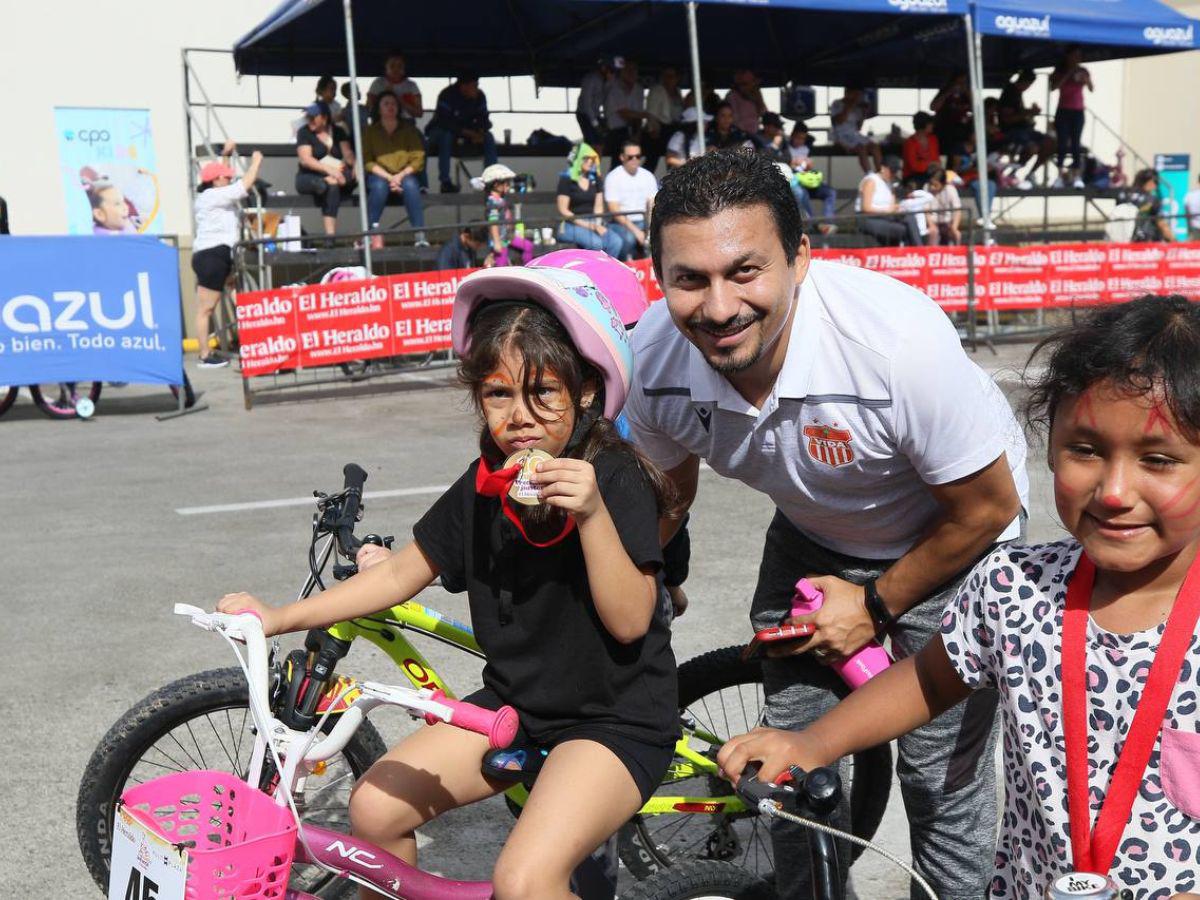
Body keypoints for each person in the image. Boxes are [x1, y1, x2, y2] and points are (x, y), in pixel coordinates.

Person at [626, 148, 1027, 899]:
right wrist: (655, 578)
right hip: (812, 533)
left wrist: (874, 605)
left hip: (951, 533)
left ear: (801, 258)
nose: (718, 308)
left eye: (745, 271)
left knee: (940, 778)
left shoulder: (895, 345)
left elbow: (988, 508)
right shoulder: (650, 361)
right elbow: (666, 493)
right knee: (786, 762)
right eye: (690, 279)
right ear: (661, 279)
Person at [217, 251, 680, 900]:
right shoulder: (485, 484)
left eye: (542, 391)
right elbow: (402, 572)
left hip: (614, 721)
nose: (517, 415)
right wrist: (278, 616)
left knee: (523, 880)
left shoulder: (612, 478)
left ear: (584, 391)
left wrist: (593, 515)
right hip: (519, 707)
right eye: (497, 393)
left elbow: (633, 621)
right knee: (374, 807)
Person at [718, 295, 1200, 900]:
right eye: (1086, 450)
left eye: (1159, 460)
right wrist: (814, 741)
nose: (1114, 491)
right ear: (1048, 448)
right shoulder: (1015, 586)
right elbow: (928, 679)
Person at [191, 141, 263, 369]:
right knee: (206, 308)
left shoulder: (215, 193)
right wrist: (256, 162)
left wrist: (225, 156)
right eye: (225, 177)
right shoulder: (212, 196)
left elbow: (222, 177)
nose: (229, 178)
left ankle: (250, 345)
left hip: (222, 255)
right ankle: (204, 355)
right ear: (214, 181)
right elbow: (244, 185)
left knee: (238, 299)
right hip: (212, 256)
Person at [362, 93, 428, 250]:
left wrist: (399, 176)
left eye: (394, 104)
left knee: (411, 185)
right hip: (380, 174)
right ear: (379, 109)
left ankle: (419, 235)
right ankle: (371, 233)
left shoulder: (409, 129)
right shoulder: (371, 131)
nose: (391, 106)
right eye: (386, 103)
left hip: (404, 173)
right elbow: (367, 161)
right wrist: (390, 177)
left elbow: (418, 157)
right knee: (379, 187)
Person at [426, 74, 498, 193]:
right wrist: (471, 134)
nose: (476, 88)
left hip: (468, 133)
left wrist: (480, 132)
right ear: (463, 87)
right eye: (473, 86)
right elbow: (445, 123)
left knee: (488, 137)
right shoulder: (447, 95)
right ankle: (445, 182)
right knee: (446, 136)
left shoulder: (479, 96)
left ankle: (491, 180)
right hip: (441, 131)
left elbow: (484, 118)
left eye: (477, 85)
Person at [294, 102, 355, 237]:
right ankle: (330, 236)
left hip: (337, 175)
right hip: (309, 176)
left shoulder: (338, 132)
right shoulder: (304, 132)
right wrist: (329, 171)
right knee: (327, 184)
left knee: (336, 183)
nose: (309, 119)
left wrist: (354, 164)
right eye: (307, 116)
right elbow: (306, 159)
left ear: (324, 118)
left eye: (313, 116)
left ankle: (330, 237)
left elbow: (347, 153)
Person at [556, 143, 623, 257]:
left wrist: (597, 224)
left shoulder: (595, 178)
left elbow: (598, 207)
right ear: (577, 159)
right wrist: (590, 226)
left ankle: (605, 271)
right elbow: (563, 211)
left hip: (593, 221)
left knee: (615, 242)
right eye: (586, 158)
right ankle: (589, 272)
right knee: (596, 243)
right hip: (571, 223)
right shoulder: (566, 179)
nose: (590, 162)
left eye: (592, 159)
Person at [604, 139, 658, 261]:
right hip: (622, 223)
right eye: (630, 157)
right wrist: (636, 231)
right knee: (628, 240)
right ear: (622, 157)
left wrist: (650, 228)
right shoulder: (613, 177)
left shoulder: (648, 176)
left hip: (645, 220)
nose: (634, 160)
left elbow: (653, 203)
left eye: (638, 156)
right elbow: (614, 210)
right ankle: (629, 268)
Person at [998, 68, 1053, 187]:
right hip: (1012, 132)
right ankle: (1013, 173)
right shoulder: (1010, 93)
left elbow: (1020, 114)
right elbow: (1007, 119)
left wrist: (1030, 113)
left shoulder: (1018, 94)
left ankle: (1030, 173)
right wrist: (1028, 113)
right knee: (1032, 147)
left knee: (1050, 143)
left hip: (1026, 130)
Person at [1050, 46, 1093, 187]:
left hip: (1078, 111)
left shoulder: (1083, 70)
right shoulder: (1059, 70)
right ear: (1068, 57)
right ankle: (1059, 175)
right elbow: (1054, 87)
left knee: (1076, 143)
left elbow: (1092, 88)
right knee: (1062, 143)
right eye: (1074, 56)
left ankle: (1076, 175)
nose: (1077, 59)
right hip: (1063, 110)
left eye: (1078, 56)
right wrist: (1068, 73)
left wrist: (1085, 79)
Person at [856, 155, 921, 246]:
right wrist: (886, 211)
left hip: (884, 216)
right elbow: (866, 207)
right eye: (892, 171)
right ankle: (918, 250)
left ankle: (918, 251)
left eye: (896, 171)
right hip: (868, 218)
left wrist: (897, 208)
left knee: (909, 217)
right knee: (904, 229)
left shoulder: (890, 185)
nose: (894, 174)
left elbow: (892, 205)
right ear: (883, 168)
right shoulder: (871, 181)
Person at [483, 163, 534, 267]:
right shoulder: (493, 202)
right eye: (506, 183)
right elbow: (493, 223)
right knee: (502, 264)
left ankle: (528, 269)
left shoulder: (500, 200)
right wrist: (497, 242)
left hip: (507, 237)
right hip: (500, 240)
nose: (508, 185)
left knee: (528, 246)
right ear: (496, 184)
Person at [604, 59, 647, 168]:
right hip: (615, 131)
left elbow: (638, 113)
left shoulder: (639, 89)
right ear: (622, 72)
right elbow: (623, 113)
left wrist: (638, 134)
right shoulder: (614, 88)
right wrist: (646, 115)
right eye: (628, 70)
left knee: (633, 163)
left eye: (634, 70)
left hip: (632, 131)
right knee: (617, 165)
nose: (631, 73)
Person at [829, 86, 881, 174]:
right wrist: (849, 105)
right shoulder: (837, 103)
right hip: (841, 135)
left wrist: (864, 114)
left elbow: (858, 127)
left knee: (874, 147)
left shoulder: (857, 107)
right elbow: (839, 120)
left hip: (854, 134)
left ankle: (880, 172)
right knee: (862, 148)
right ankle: (870, 175)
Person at [644, 65, 684, 173]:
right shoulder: (657, 90)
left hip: (674, 128)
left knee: (671, 160)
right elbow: (651, 112)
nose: (669, 79)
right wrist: (653, 128)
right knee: (652, 161)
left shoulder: (677, 91)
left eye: (672, 76)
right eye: (667, 76)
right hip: (659, 128)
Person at [930, 72, 973, 170]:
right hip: (944, 131)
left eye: (963, 83)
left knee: (959, 153)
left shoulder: (966, 95)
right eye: (958, 82)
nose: (960, 85)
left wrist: (967, 92)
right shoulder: (945, 92)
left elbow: (977, 109)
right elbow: (933, 107)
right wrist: (949, 92)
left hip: (960, 133)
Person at [1124, 168, 1176, 243]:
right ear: (1150, 181)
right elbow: (1162, 224)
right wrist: (1175, 241)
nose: (1156, 186)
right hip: (1146, 243)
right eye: (1156, 182)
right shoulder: (1151, 200)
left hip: (1124, 242)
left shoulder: (1126, 195)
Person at [367, 52, 422, 121]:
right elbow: (369, 109)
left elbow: (419, 113)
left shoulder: (411, 86)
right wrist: (384, 96)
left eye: (400, 66)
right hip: (381, 121)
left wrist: (399, 100)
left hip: (405, 122)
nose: (396, 69)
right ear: (386, 67)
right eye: (392, 66)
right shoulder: (378, 84)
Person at [576, 57, 612, 148]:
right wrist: (596, 124)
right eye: (611, 71)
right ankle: (588, 160)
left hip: (595, 114)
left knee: (600, 142)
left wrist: (606, 119)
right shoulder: (591, 79)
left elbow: (606, 103)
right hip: (584, 114)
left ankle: (596, 161)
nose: (613, 74)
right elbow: (586, 103)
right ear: (604, 68)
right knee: (591, 143)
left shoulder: (607, 82)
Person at [725, 69, 767, 139]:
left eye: (753, 81)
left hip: (755, 134)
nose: (752, 84)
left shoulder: (756, 95)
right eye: (745, 84)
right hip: (739, 136)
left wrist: (758, 99)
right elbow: (733, 118)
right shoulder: (732, 95)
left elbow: (763, 112)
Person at [902, 111, 941, 185]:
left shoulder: (933, 139)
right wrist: (929, 165)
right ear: (923, 125)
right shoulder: (910, 142)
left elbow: (936, 159)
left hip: (931, 174)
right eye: (930, 123)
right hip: (913, 176)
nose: (932, 125)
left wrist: (933, 166)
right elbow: (913, 166)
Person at [926, 167, 962, 245]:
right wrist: (931, 225)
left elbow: (957, 210)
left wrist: (954, 227)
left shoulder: (950, 190)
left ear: (943, 183)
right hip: (933, 222)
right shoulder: (927, 188)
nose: (932, 187)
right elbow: (926, 210)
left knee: (956, 234)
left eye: (935, 185)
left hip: (947, 223)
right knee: (933, 232)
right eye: (931, 184)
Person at [1185, 172, 1200, 241]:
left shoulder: (1189, 195)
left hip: (1194, 227)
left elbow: (1187, 214)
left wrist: (1189, 231)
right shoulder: (1190, 195)